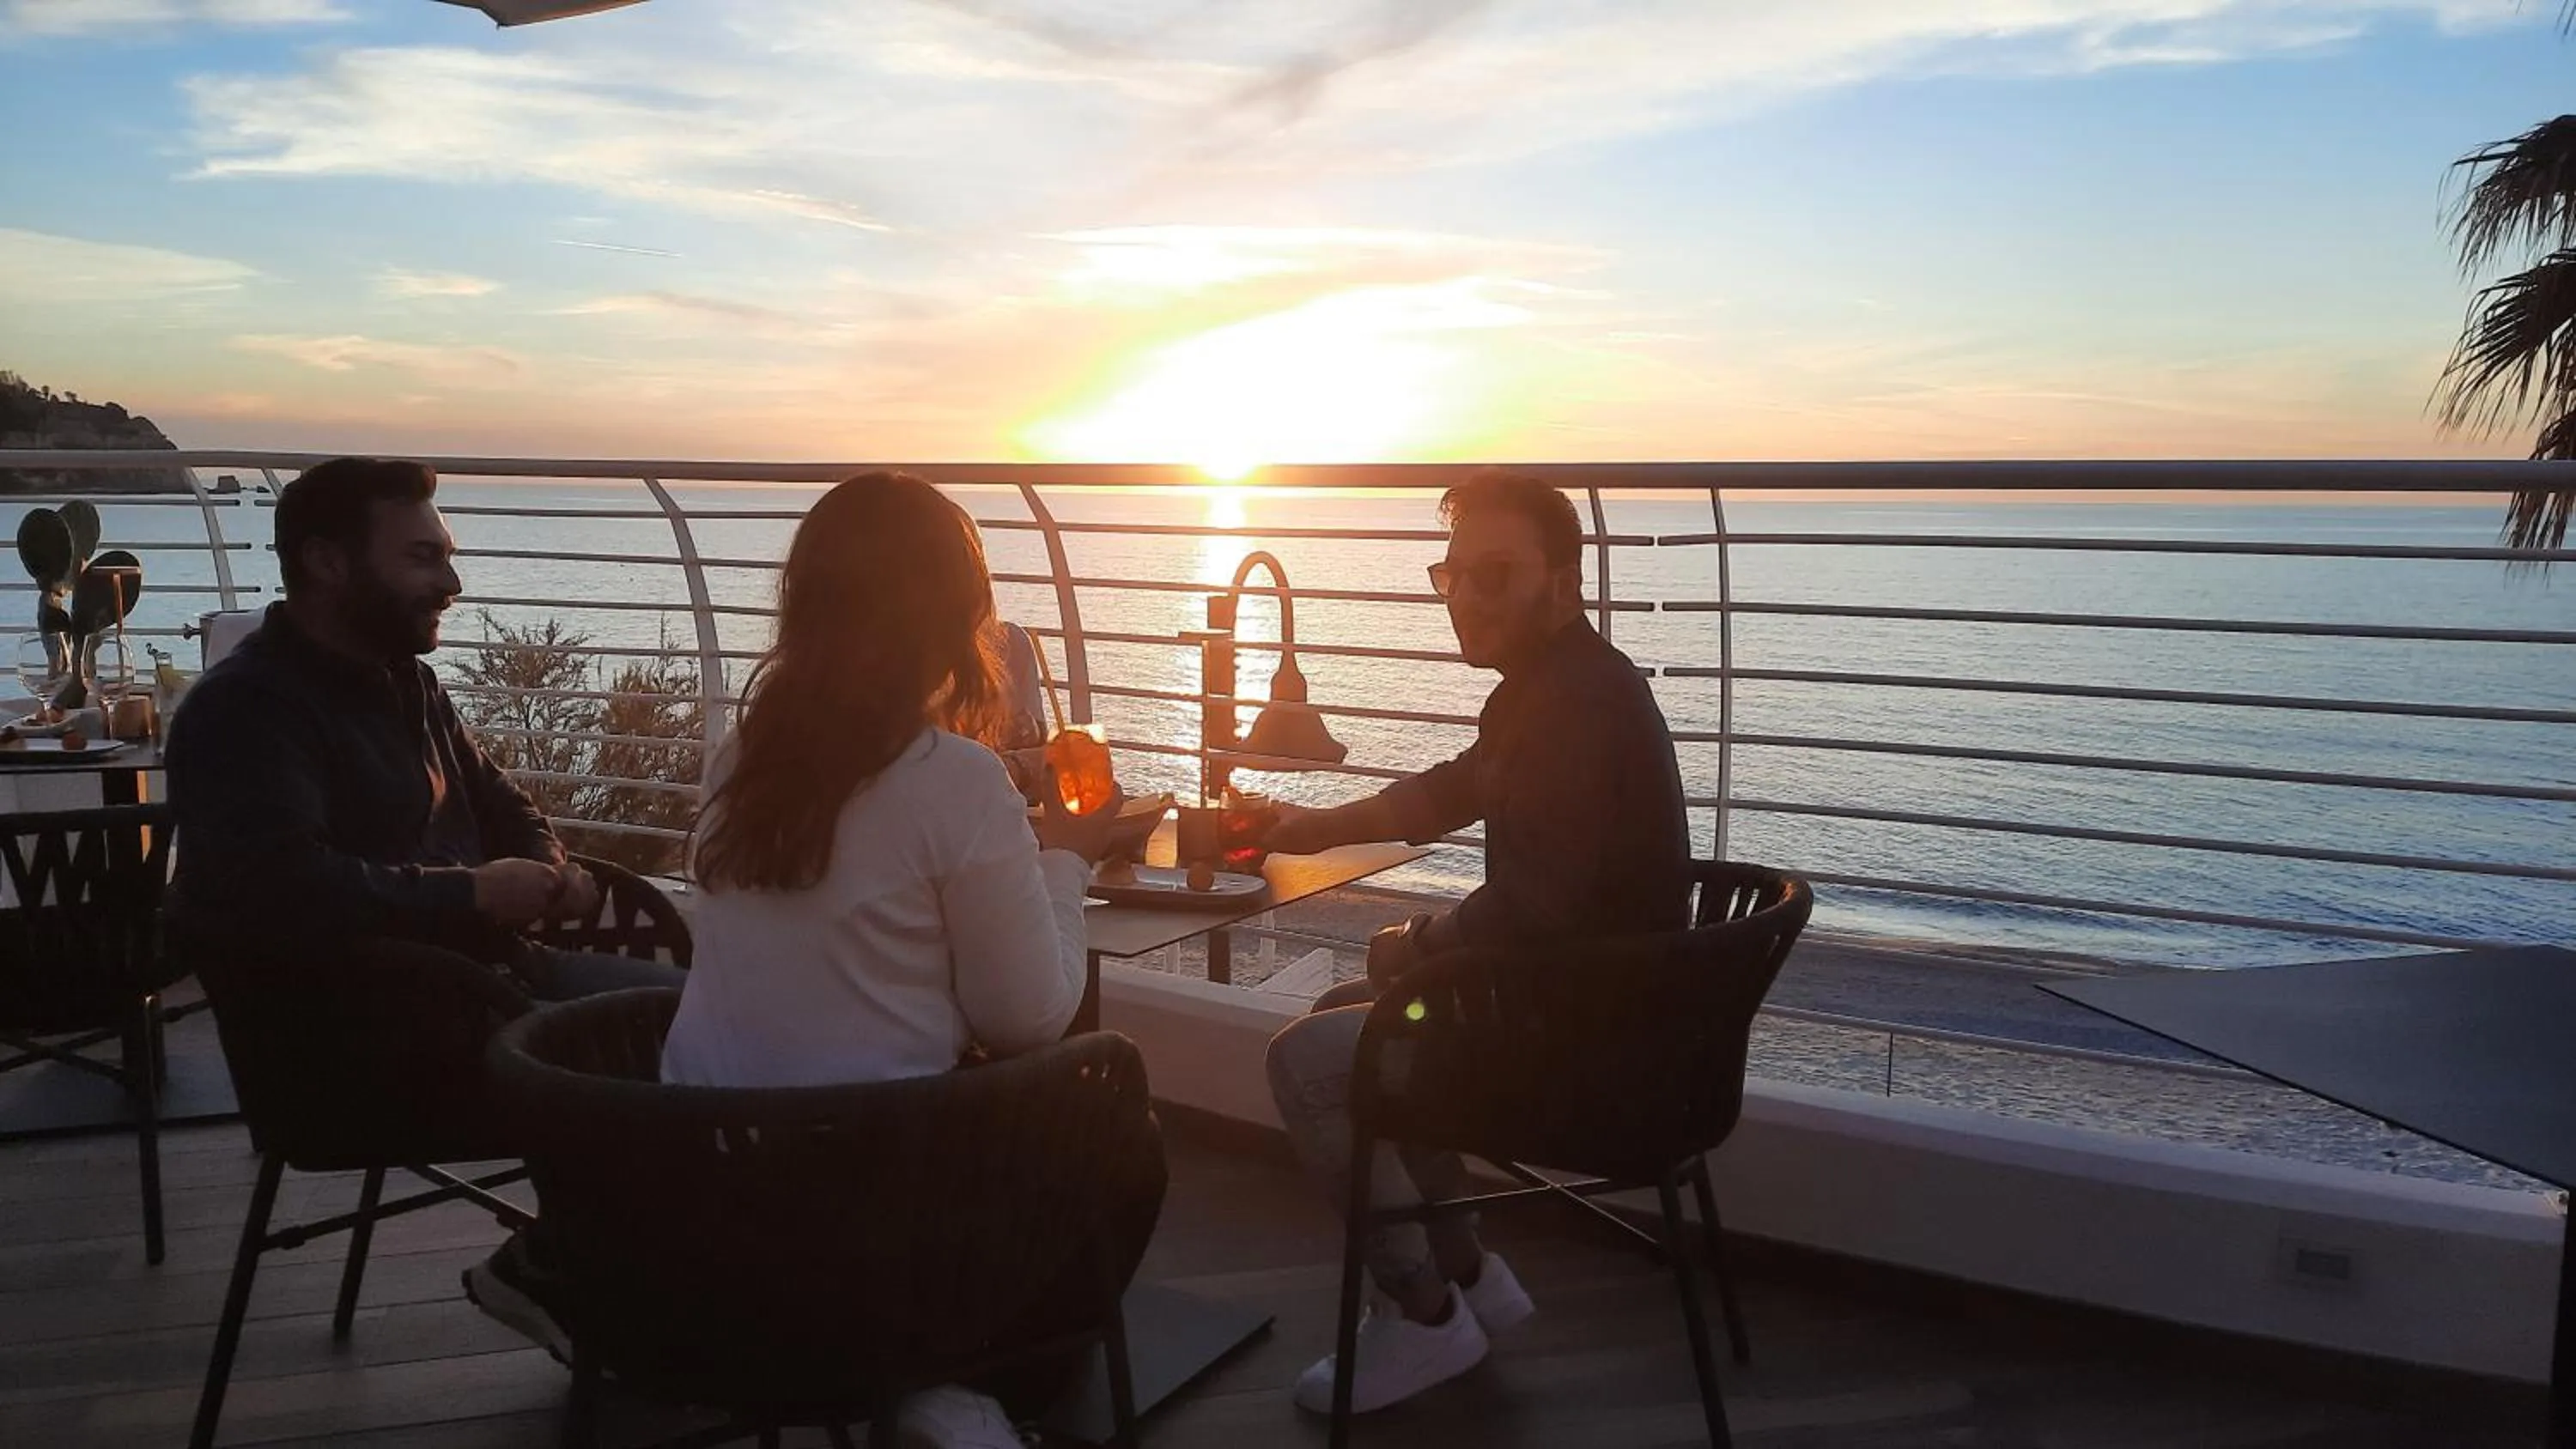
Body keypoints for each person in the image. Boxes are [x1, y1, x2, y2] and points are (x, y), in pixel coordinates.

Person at [162, 456, 687, 1356]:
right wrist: (476, 893)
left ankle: (644, 1281)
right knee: (679, 1050)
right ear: (326, 563)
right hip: (356, 1050)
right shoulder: (243, 713)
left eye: (447, 555)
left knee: (715, 1020)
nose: (451, 581)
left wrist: (545, 868)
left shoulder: (405, 677)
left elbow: (506, 804)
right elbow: (282, 890)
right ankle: (588, 1279)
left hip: (474, 991)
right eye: (422, 557)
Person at [659, 471, 1141, 1448]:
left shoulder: (740, 756)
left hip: (698, 1185)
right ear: (955, 622)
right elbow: (1026, 1018)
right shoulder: (952, 780)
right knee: (1123, 1135)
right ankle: (957, 1382)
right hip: (865, 1196)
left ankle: (915, 1378)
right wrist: (1063, 858)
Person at [1258, 469, 1691, 1416]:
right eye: (1455, 575)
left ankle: (1423, 1315)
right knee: (1347, 1019)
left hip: (1590, 1050)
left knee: (1308, 1060)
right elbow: (1453, 790)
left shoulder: (1571, 707)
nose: (1467, 598)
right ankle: (1469, 1273)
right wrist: (1315, 824)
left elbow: (1531, 911)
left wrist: (1409, 944)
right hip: (1609, 1012)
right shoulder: (1557, 684)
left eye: (1497, 573)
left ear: (1563, 582)